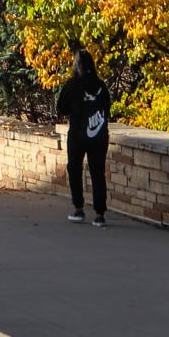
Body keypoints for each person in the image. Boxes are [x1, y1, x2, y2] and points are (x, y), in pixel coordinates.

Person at [57, 45, 111, 225]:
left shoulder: (73, 85)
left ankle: (78, 208)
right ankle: (99, 214)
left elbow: (61, 108)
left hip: (78, 134)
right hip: (99, 135)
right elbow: (107, 109)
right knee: (97, 172)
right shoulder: (101, 86)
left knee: (74, 168)